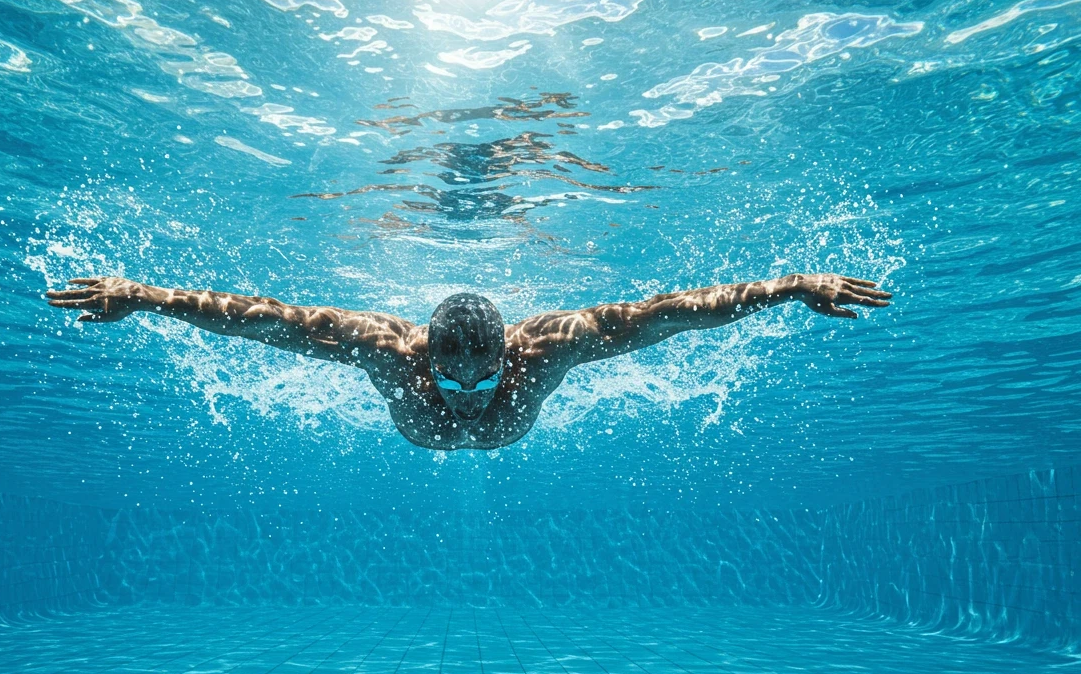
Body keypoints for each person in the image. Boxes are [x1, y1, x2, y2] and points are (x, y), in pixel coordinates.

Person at [46, 273, 891, 450]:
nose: (465, 397)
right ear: (422, 354)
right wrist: (146, 297)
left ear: (506, 354)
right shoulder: (381, 347)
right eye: (451, 381)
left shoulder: (555, 345)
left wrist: (789, 288)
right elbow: (256, 322)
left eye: (481, 378)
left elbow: (673, 317)